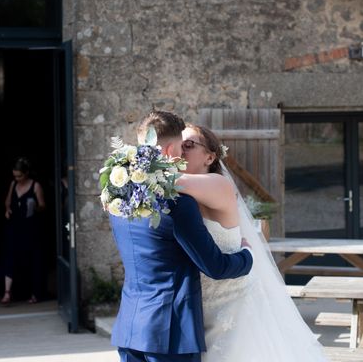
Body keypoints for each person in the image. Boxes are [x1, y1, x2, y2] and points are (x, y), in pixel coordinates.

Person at [109, 111, 254, 362]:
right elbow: (216, 267)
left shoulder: (119, 194)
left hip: (131, 326)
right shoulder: (177, 203)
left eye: (191, 146)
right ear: (168, 151)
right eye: (181, 146)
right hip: (171, 331)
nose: (182, 154)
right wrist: (248, 257)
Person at [178, 123, 328, 361]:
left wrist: (136, 168)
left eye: (189, 144)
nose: (181, 149)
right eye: (178, 144)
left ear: (210, 156)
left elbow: (169, 180)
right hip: (199, 303)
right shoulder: (181, 195)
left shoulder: (218, 184)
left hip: (233, 303)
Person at [0, 157, 46, 304]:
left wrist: (34, 207)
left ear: (26, 173)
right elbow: (7, 202)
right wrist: (7, 210)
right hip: (14, 226)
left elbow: (43, 206)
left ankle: (34, 293)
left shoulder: (35, 186)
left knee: (31, 259)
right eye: (15, 176)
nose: (17, 178)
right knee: (10, 257)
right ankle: (7, 292)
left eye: (19, 175)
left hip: (30, 227)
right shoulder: (13, 184)